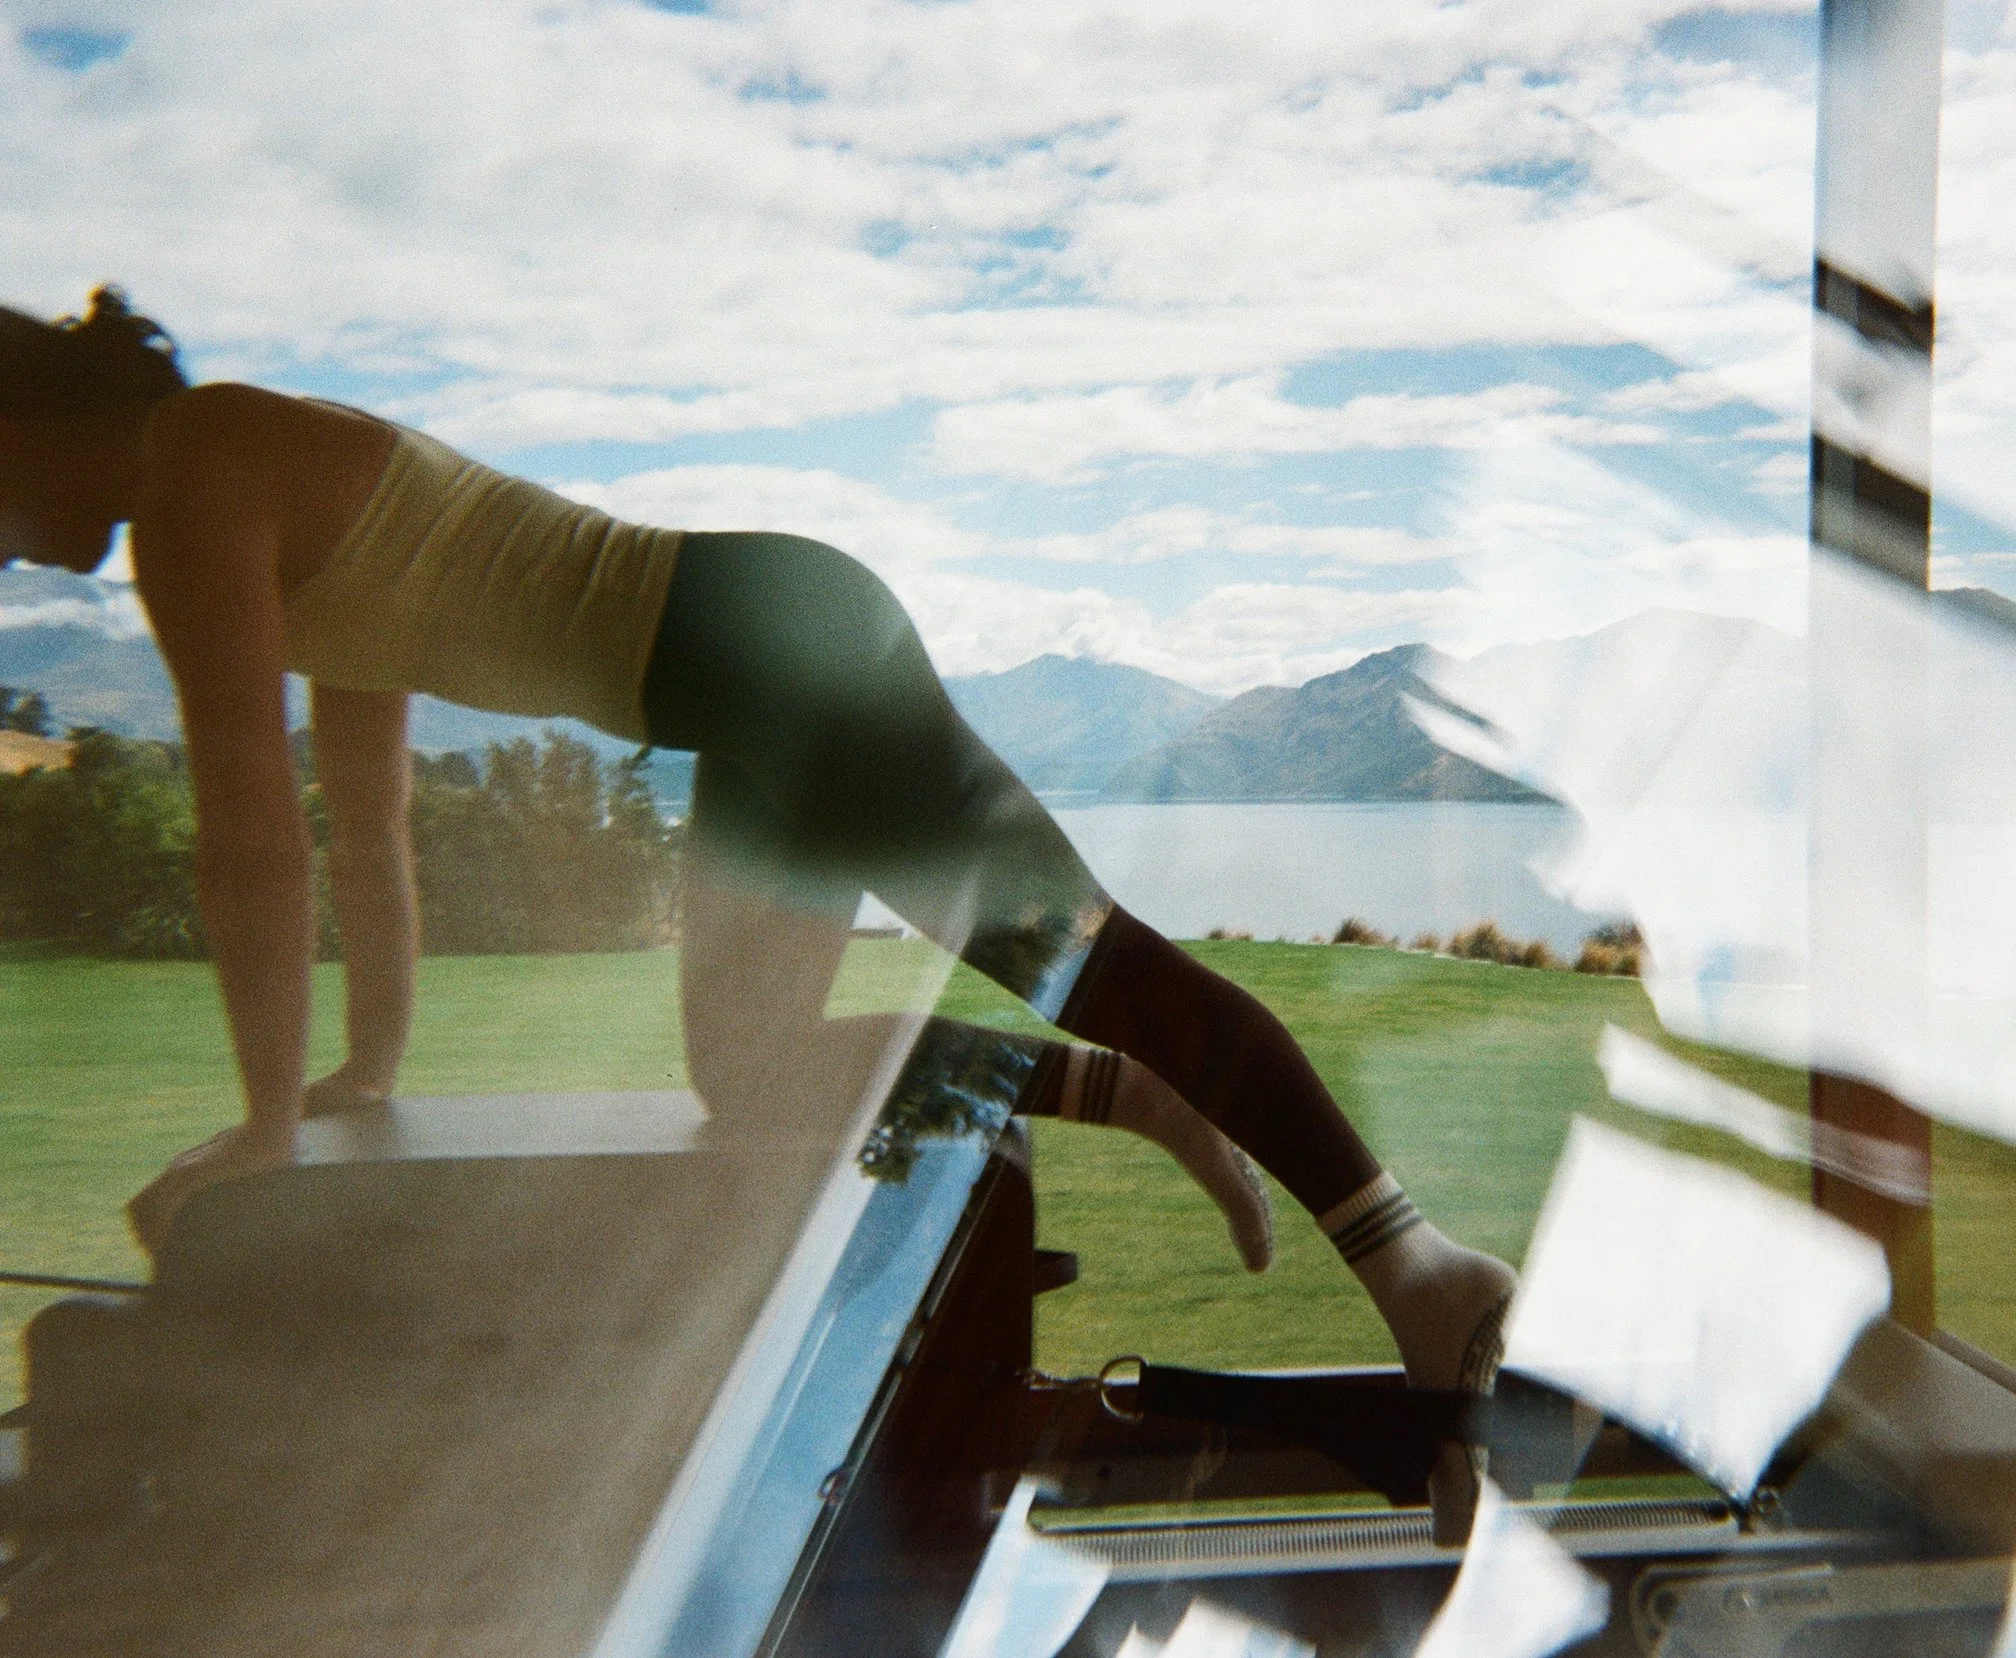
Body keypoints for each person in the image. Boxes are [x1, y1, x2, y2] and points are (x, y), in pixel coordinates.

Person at [0, 287, 1516, 1417]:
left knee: (1079, 951)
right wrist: (360, 1072)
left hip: (772, 654)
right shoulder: (239, 471)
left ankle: (1417, 1267)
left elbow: (249, 839)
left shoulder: (195, 479)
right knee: (751, 1061)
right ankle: (1142, 1094)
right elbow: (361, 813)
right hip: (747, 672)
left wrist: (265, 1127)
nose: (5, 542)